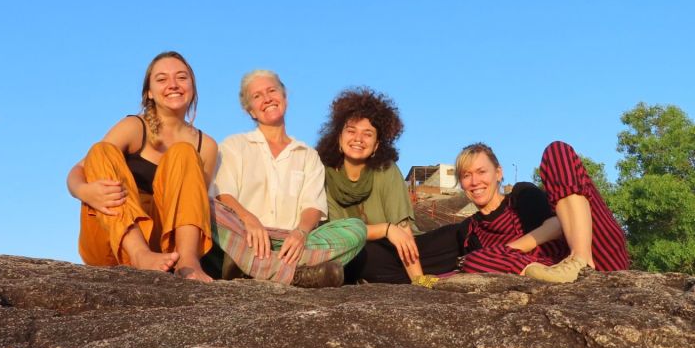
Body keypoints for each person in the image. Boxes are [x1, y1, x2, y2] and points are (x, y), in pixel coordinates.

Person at [66, 51, 217, 282]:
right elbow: (78, 171)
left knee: (184, 152)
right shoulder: (134, 127)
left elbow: (193, 207)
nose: (173, 84)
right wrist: (84, 191)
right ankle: (139, 253)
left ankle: (188, 261)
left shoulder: (206, 145)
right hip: (109, 244)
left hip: (164, 247)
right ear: (149, 92)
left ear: (192, 87)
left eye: (181, 77)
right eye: (162, 79)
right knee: (101, 150)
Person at [210, 70, 367, 288]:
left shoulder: (308, 155)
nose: (267, 99)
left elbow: (313, 207)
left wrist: (300, 233)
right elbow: (223, 195)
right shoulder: (234, 146)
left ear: (284, 97)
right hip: (245, 234)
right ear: (250, 110)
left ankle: (252, 267)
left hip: (289, 243)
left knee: (357, 228)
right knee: (206, 207)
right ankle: (295, 274)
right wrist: (249, 219)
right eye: (257, 96)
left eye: (272, 91)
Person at [313, 87, 463, 285]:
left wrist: (419, 280)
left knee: (457, 234)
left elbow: (404, 232)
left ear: (376, 145)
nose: (358, 139)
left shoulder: (386, 169)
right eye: (351, 131)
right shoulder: (323, 174)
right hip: (357, 252)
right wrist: (385, 229)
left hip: (401, 250)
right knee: (363, 255)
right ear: (339, 138)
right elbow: (339, 235)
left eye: (368, 134)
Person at [456, 141, 630, 282]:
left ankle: (580, 259)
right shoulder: (470, 230)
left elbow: (559, 225)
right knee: (471, 261)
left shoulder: (522, 195)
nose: (474, 181)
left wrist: (506, 250)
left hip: (598, 252)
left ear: (498, 172)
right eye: (466, 175)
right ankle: (553, 271)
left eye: (481, 171)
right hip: (551, 270)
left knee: (557, 151)